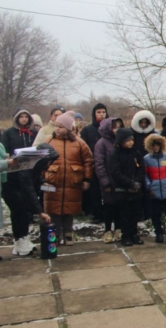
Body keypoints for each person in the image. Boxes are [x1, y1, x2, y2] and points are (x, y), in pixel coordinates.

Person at [43, 111, 93, 245]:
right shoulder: (49, 141)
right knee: (54, 209)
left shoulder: (79, 143)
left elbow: (88, 161)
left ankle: (68, 232)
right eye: (56, 126)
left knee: (69, 208)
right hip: (53, 181)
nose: (57, 129)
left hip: (73, 182)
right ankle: (55, 234)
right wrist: (43, 177)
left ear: (69, 128)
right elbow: (40, 161)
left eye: (61, 126)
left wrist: (87, 179)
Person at [1, 109, 39, 250]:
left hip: (28, 175)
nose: (24, 119)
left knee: (25, 208)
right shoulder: (9, 133)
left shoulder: (33, 133)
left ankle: (23, 239)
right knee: (18, 208)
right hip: (11, 177)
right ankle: (20, 238)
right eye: (21, 117)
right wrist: (9, 160)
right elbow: (5, 154)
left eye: (26, 117)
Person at [109, 128, 145, 246]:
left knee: (135, 214)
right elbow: (116, 173)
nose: (130, 142)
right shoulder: (115, 154)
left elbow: (141, 169)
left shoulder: (136, 153)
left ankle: (134, 234)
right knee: (124, 214)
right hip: (122, 190)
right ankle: (126, 236)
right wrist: (129, 183)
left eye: (132, 140)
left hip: (135, 190)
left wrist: (137, 182)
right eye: (127, 140)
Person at [143, 133, 166, 243]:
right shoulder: (146, 159)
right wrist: (149, 185)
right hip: (154, 191)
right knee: (155, 214)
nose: (156, 147)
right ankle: (158, 233)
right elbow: (145, 174)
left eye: (158, 145)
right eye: (153, 145)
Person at [94, 117, 124, 243]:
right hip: (108, 181)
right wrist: (105, 181)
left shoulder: (121, 141)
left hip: (120, 180)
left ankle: (118, 228)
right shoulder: (101, 143)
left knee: (119, 206)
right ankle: (107, 230)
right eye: (114, 127)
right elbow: (99, 164)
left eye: (119, 127)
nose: (117, 129)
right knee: (109, 206)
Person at [80, 103, 108, 223]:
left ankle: (109, 214)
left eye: (103, 112)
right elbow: (83, 149)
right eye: (99, 112)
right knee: (95, 192)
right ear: (94, 114)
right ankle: (97, 214)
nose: (101, 114)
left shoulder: (110, 129)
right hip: (93, 164)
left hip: (108, 165)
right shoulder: (87, 130)